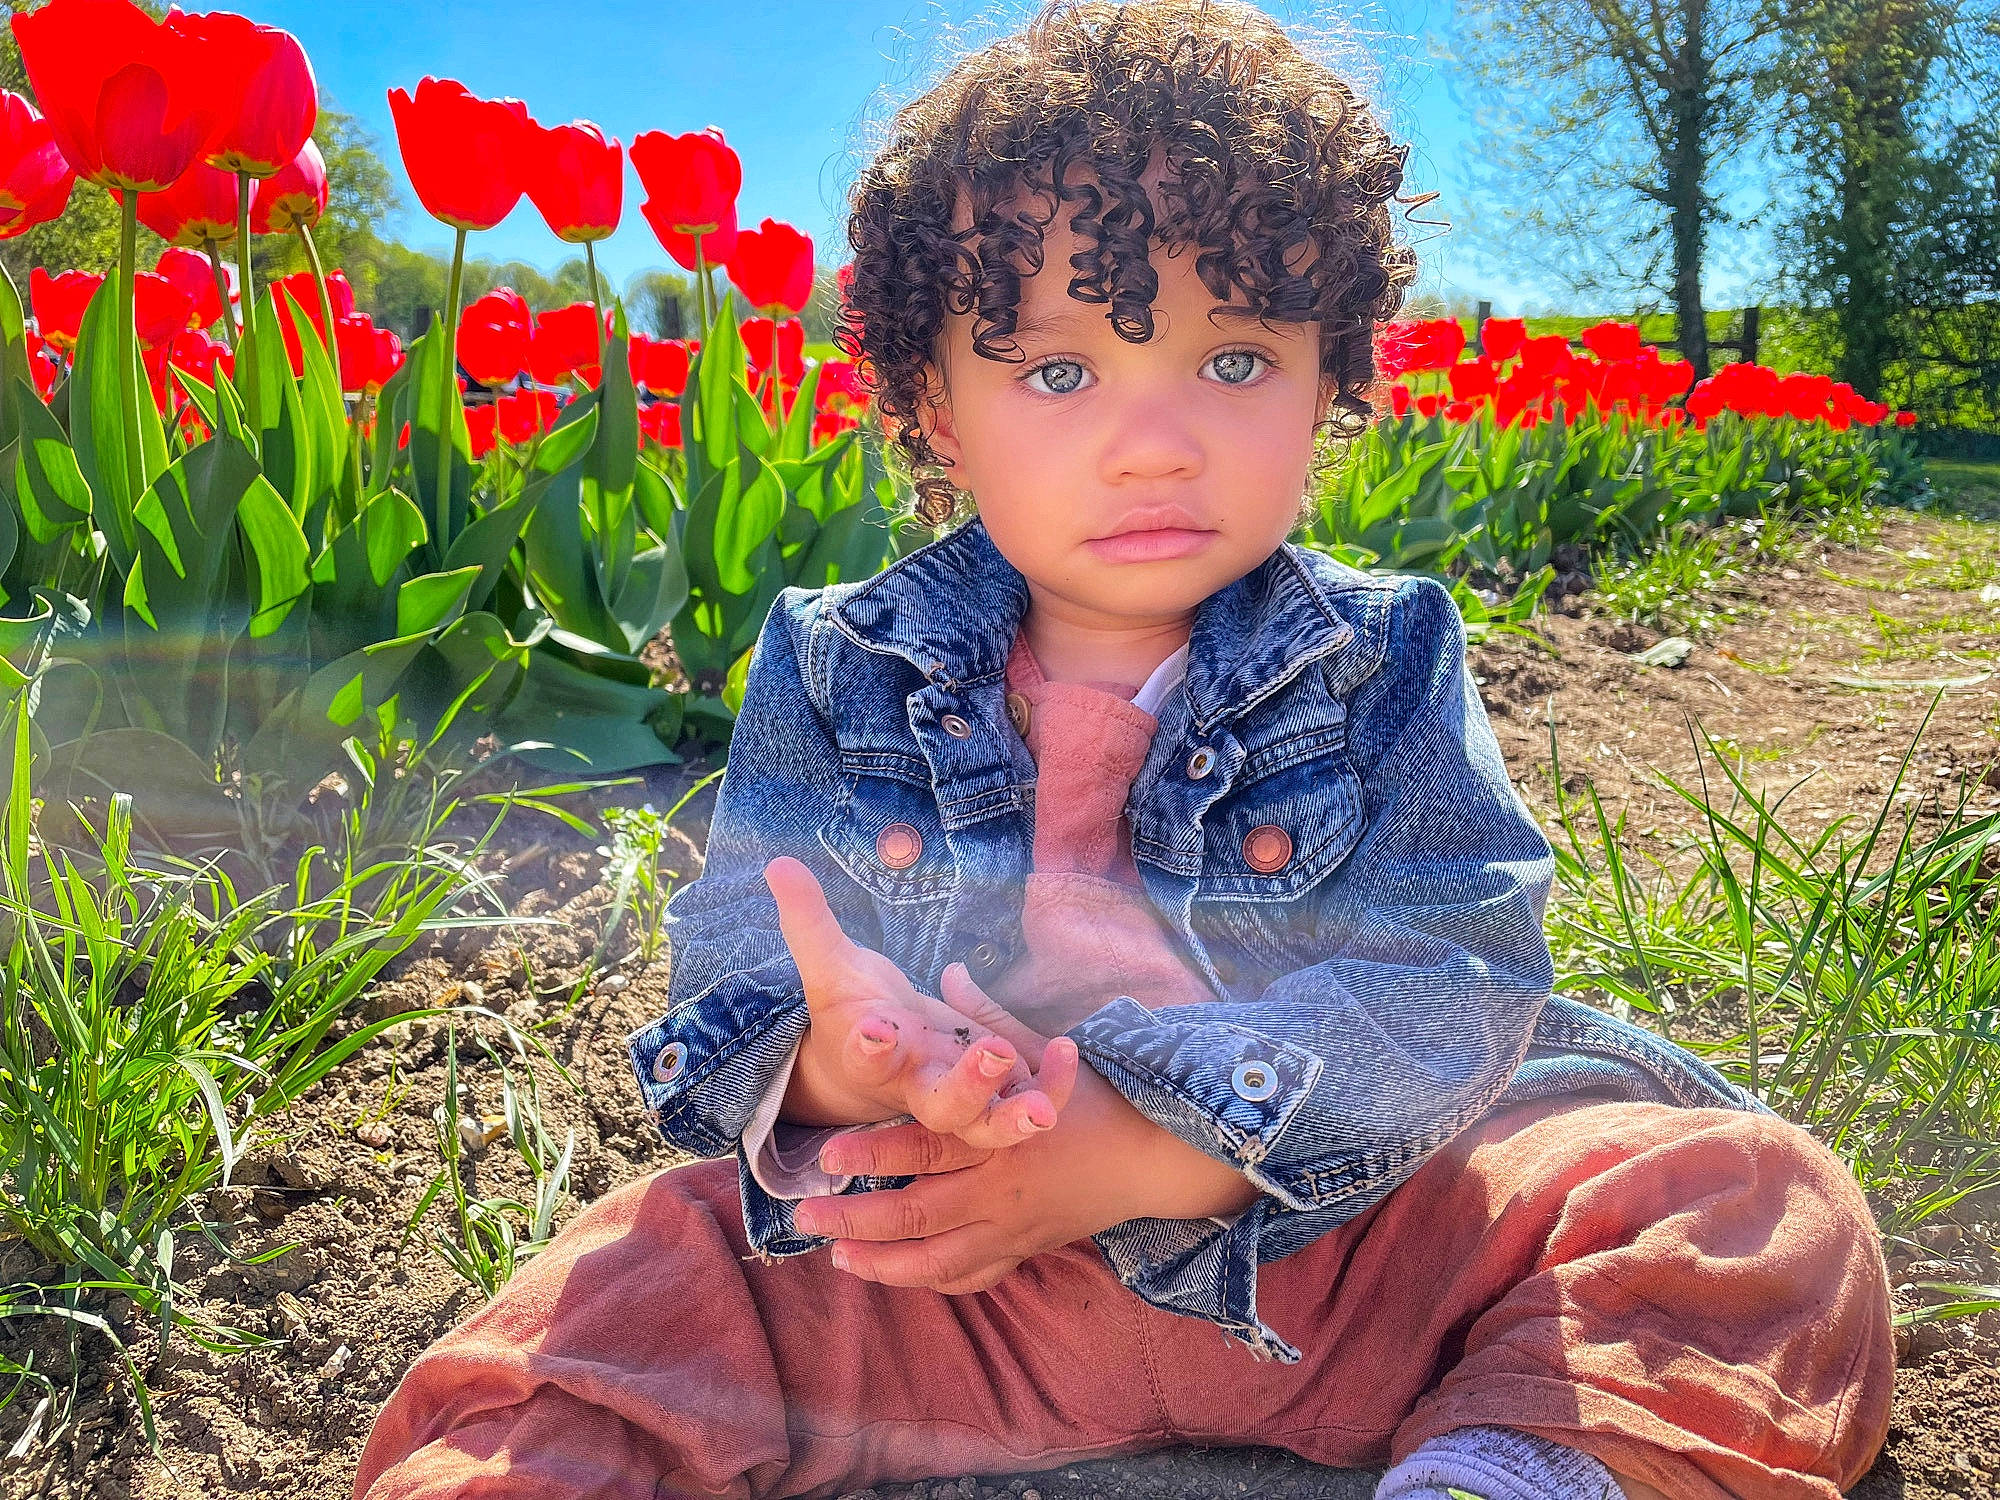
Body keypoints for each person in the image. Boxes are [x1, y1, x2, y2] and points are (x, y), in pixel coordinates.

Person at [353, 3, 1895, 1497]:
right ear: (934, 409)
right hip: (948, 1281)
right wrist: (848, 1061)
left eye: (1234, 361)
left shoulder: (1380, 653)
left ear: (1329, 373)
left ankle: (1510, 1470)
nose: (1154, 440)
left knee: (1755, 1206)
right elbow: (745, 975)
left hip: (1347, 1257)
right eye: (1059, 370)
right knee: (627, 1288)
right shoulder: (837, 663)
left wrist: (1152, 1153)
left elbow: (1461, 975)